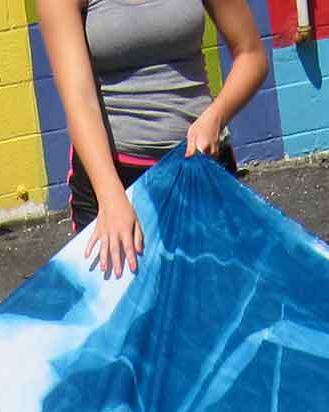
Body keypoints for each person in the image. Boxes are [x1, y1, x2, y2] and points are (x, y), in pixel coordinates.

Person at [37, 0, 268, 274]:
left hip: (197, 165)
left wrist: (215, 116)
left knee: (218, 293)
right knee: (131, 300)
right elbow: (79, 101)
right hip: (115, 181)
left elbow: (251, 55)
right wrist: (110, 196)